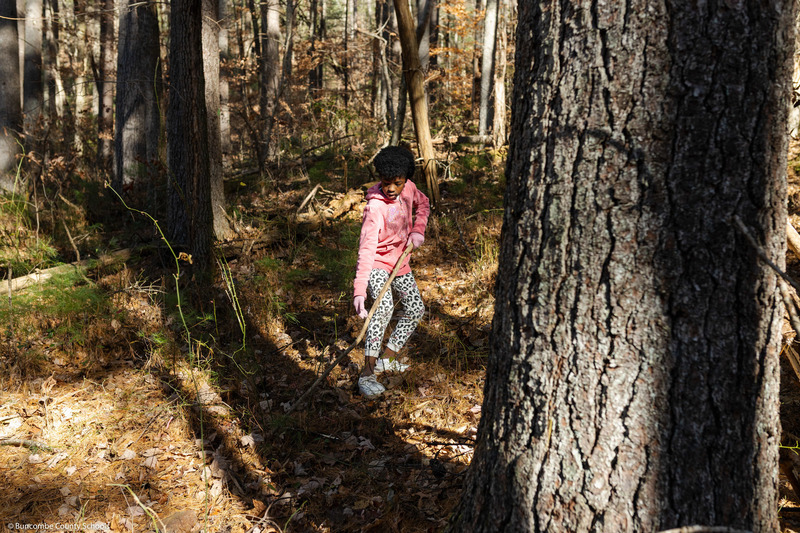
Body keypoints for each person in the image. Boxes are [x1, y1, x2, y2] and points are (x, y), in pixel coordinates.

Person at [353, 146, 430, 398]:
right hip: (377, 262)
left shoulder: (409, 188)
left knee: (415, 308)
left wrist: (418, 231)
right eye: (386, 183)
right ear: (380, 179)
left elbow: (424, 204)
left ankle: (388, 358)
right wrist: (359, 291)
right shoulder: (374, 208)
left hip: (401, 261)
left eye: (397, 183)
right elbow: (366, 248)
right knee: (383, 307)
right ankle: (367, 373)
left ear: (406, 179)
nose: (391, 189)